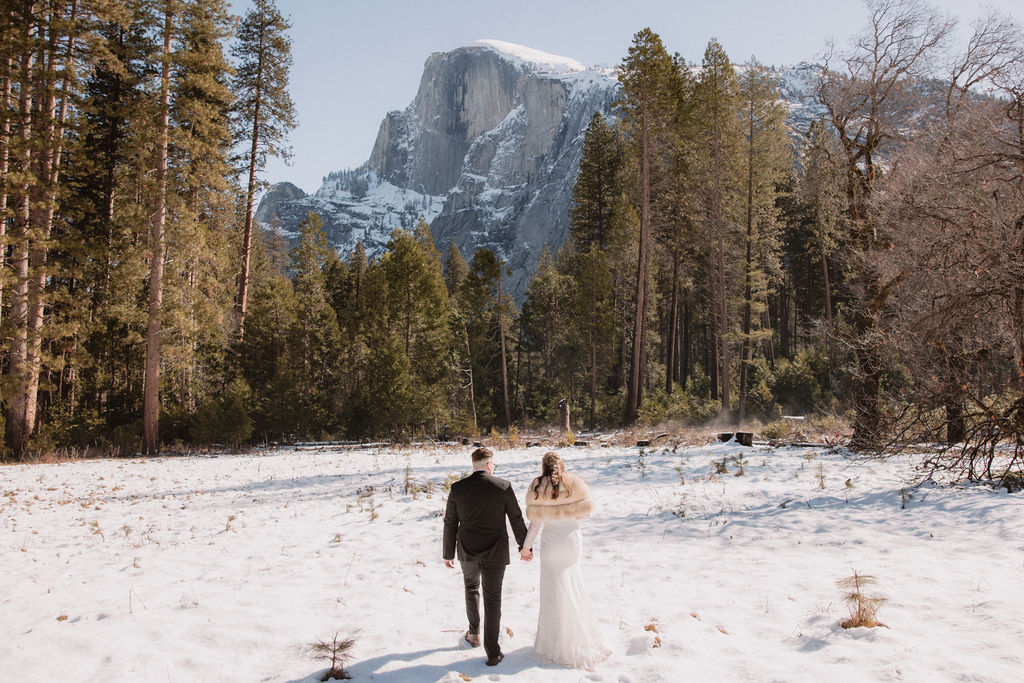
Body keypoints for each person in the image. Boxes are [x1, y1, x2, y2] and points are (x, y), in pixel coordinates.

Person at [521, 452, 609, 670]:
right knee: (572, 585)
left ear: (543, 466)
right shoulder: (574, 483)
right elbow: (584, 516)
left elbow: (535, 524)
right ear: (562, 465)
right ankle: (578, 636)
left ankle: (555, 642)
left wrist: (526, 547)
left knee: (552, 591)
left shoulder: (537, 485)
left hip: (551, 543)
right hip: (571, 541)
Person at [443, 447, 529, 667]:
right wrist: (524, 546)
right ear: (490, 464)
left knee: (471, 588)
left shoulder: (458, 488)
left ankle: (474, 634)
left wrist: (448, 553)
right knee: (493, 599)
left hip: (467, 550)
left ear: (474, 465)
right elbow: (516, 519)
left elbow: (450, 522)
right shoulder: (503, 486)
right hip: (495, 551)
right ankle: (492, 653)